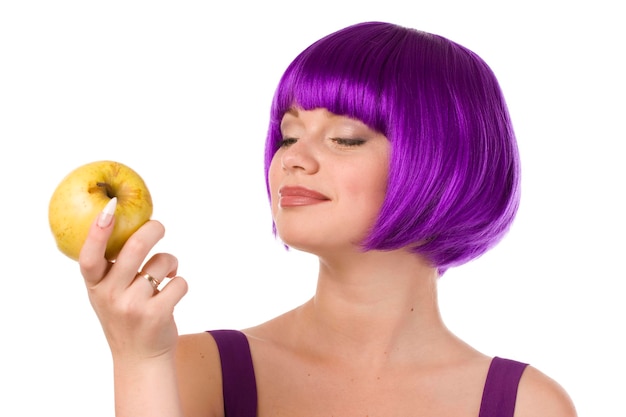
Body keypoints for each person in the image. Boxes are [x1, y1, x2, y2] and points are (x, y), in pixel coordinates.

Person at [79, 21, 577, 417]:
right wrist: (137, 359)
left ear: (441, 162)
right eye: (290, 134)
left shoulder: (529, 406)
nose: (291, 159)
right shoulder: (197, 371)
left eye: (345, 137)